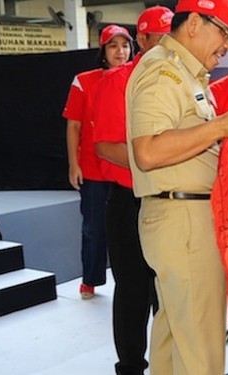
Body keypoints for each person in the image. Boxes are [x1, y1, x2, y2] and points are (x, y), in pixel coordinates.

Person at [125, 0, 228, 372]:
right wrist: (220, 127)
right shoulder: (164, 73)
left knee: (175, 341)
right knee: (201, 350)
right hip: (183, 220)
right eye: (224, 32)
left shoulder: (189, 75)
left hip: (185, 217)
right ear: (195, 24)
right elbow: (147, 151)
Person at [92, 6, 173, 375]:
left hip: (172, 204)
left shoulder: (180, 78)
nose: (170, 45)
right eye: (161, 37)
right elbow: (106, 146)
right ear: (143, 40)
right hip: (131, 202)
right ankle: (130, 367)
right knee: (133, 292)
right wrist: (161, 161)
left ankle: (166, 365)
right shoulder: (119, 80)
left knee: (169, 293)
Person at [63, 24, 133, 299]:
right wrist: (73, 164)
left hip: (127, 168)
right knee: (93, 227)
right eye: (113, 45)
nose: (120, 51)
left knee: (128, 229)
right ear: (103, 51)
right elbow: (73, 127)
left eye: (125, 45)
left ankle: (127, 282)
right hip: (93, 169)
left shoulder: (138, 78)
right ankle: (90, 279)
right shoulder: (84, 80)